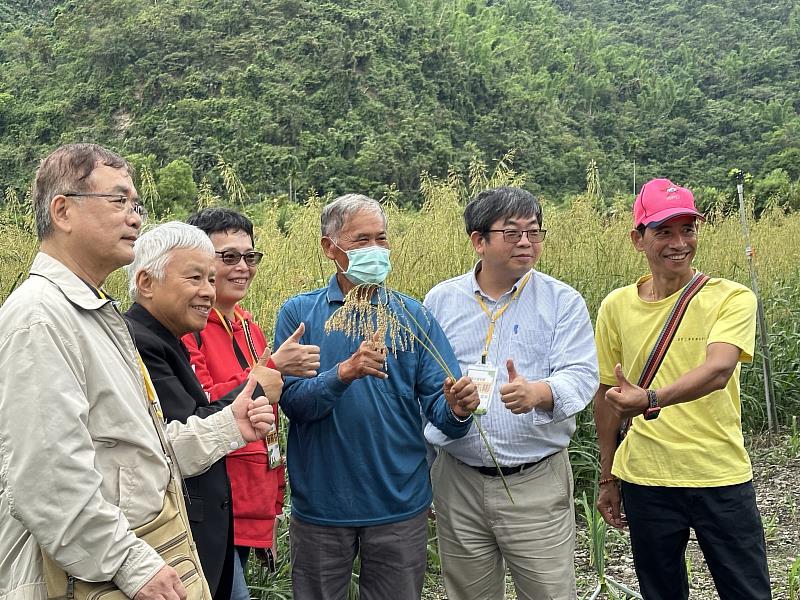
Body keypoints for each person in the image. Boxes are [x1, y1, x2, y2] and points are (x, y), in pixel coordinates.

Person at [0, 143, 276, 600]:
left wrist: (230, 426)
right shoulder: (40, 318)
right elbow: (47, 479)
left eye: (136, 205)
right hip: (75, 580)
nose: (134, 217)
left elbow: (137, 454)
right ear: (63, 211)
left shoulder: (94, 315)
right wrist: (131, 563)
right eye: (119, 201)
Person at [272, 193, 479, 600]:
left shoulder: (411, 315)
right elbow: (294, 405)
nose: (375, 250)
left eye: (381, 240)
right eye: (361, 240)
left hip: (399, 504)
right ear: (330, 248)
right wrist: (343, 373)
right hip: (322, 508)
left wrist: (458, 407)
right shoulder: (300, 314)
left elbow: (441, 409)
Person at [593, 178, 771, 599]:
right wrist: (607, 476)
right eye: (664, 231)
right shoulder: (616, 305)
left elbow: (718, 370)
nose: (679, 242)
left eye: (688, 229)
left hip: (718, 473)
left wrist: (650, 398)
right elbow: (605, 397)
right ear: (638, 239)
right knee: (661, 592)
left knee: (747, 591)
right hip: (646, 478)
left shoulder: (732, 297)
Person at [422, 186, 599, 600]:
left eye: (534, 232)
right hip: (458, 478)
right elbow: (426, 386)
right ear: (478, 241)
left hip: (534, 480)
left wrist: (541, 392)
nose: (526, 242)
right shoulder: (441, 300)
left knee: (550, 593)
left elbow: (582, 373)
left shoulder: (561, 301)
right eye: (513, 232)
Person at [124, 221, 284, 600]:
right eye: (195, 278)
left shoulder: (174, 337)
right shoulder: (143, 343)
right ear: (146, 283)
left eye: (210, 280)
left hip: (220, 521)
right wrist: (257, 386)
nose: (207, 292)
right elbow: (178, 437)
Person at [183, 207, 320, 600]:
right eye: (228, 256)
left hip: (250, 506)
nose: (242, 266)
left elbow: (267, 423)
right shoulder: (188, 329)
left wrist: (270, 511)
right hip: (215, 508)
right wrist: (273, 366)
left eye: (250, 256)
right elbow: (207, 404)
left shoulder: (248, 326)